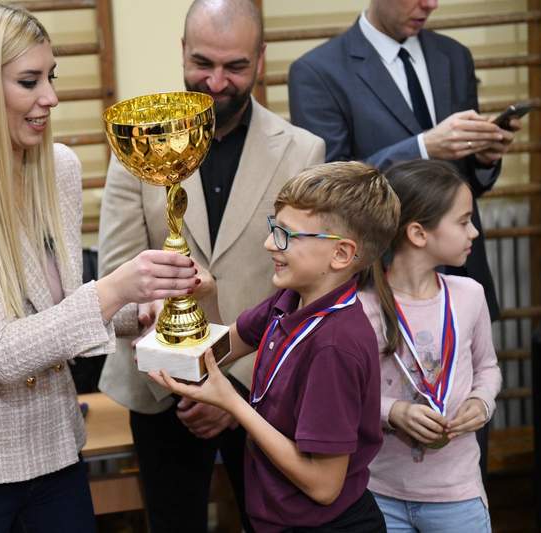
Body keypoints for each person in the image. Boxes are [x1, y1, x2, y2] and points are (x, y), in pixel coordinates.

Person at [0, 3, 198, 532]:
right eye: (28, 81)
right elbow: (1, 352)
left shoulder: (58, 168)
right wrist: (115, 287)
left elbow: (58, 311)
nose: (50, 98)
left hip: (54, 453)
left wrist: (140, 307)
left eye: (50, 77)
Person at [97, 0, 325, 530]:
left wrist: (231, 387)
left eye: (236, 66)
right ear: (181, 51)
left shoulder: (304, 152)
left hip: (264, 385)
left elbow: (308, 290)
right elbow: (115, 271)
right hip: (161, 389)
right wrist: (181, 365)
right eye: (202, 62)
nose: (216, 82)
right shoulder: (138, 141)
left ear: (261, 60)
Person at [150, 161, 400, 532]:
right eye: (273, 228)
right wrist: (206, 298)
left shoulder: (336, 344)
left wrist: (232, 402)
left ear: (342, 255)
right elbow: (220, 351)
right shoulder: (288, 300)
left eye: (286, 234)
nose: (269, 243)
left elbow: (324, 485)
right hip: (274, 517)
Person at [287, 0, 523, 323]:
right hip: (381, 282)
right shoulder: (317, 71)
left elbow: (463, 182)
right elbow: (330, 190)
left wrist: (483, 158)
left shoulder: (454, 57)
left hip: (463, 273)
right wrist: (423, 146)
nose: (431, 4)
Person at [357, 159, 502, 532]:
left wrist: (481, 401)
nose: (474, 233)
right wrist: (393, 412)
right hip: (378, 492)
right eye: (463, 221)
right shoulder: (363, 307)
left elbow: (488, 368)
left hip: (457, 495)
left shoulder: (470, 295)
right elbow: (343, 394)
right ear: (419, 233)